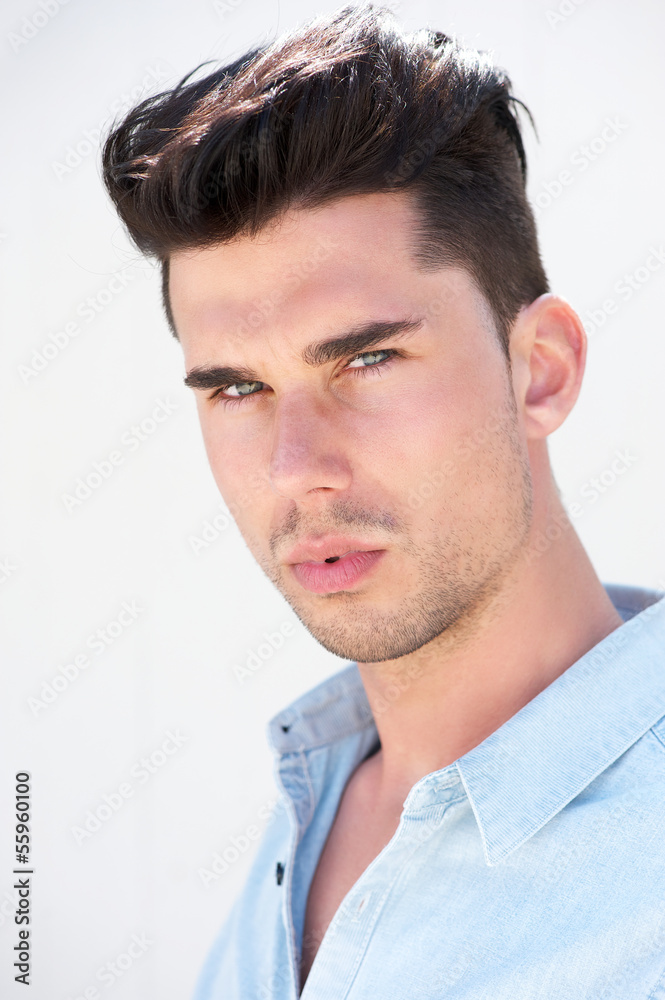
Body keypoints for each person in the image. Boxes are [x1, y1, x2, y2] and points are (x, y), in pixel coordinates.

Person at [101, 4, 665, 997]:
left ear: (538, 370)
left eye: (366, 360)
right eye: (237, 388)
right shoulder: (310, 800)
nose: (295, 467)